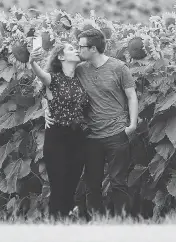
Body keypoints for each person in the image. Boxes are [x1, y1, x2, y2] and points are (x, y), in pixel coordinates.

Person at [45, 28, 138, 218]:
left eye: (81, 46)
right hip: (91, 136)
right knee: (92, 185)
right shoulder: (79, 69)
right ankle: (97, 224)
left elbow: (131, 96)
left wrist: (133, 124)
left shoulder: (119, 67)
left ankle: (122, 225)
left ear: (93, 48)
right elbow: (53, 85)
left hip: (116, 133)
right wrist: (45, 109)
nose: (78, 50)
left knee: (118, 183)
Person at [29, 42, 90, 220]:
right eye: (71, 49)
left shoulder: (80, 78)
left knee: (71, 186)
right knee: (58, 187)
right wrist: (32, 62)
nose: (76, 50)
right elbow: (40, 75)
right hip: (57, 138)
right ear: (61, 57)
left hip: (77, 138)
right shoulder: (53, 78)